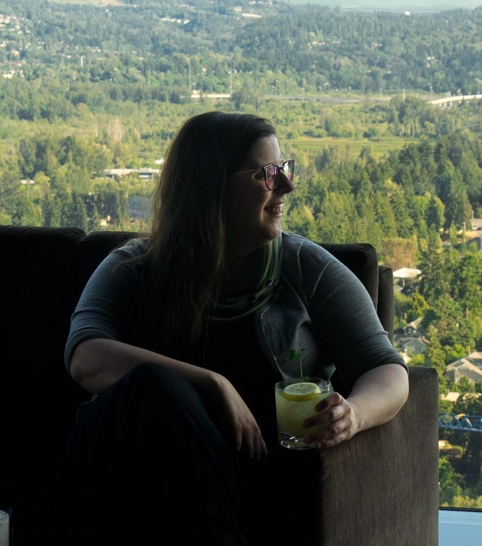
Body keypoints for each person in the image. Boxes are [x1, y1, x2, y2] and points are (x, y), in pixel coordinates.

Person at [45, 111, 409, 545]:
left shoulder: (305, 269)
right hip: (132, 480)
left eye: (284, 169)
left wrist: (353, 414)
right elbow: (85, 358)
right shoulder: (133, 269)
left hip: (247, 482)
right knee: (151, 387)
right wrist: (212, 384)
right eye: (265, 174)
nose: (287, 186)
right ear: (209, 187)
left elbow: (388, 370)